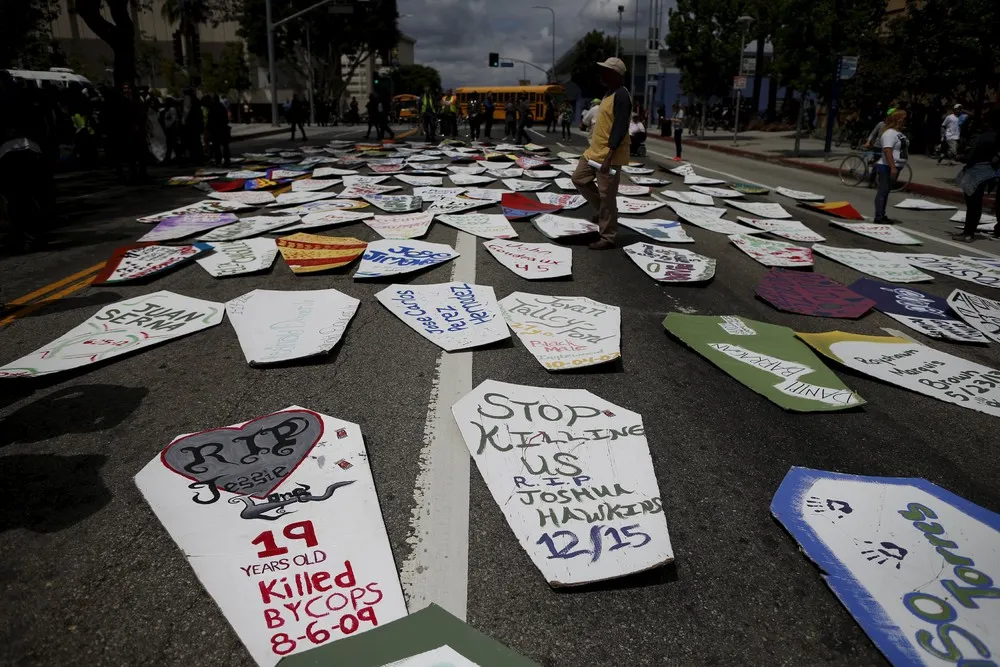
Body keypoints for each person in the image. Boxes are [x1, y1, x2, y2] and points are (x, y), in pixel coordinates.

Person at [571, 57, 631, 251]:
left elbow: (620, 127)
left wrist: (609, 157)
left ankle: (607, 237)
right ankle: (607, 214)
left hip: (608, 156)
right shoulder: (608, 94)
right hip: (593, 153)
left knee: (607, 196)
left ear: (615, 74)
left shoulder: (622, 96)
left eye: (606, 71)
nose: (602, 75)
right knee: (579, 178)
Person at [953, 109, 999, 242]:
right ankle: (970, 231)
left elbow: (970, 156)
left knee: (972, 204)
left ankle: (968, 233)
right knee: (977, 204)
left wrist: (959, 157)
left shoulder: (983, 137)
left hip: (976, 171)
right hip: (989, 172)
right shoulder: (997, 136)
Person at [872, 110, 908, 225]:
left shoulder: (899, 133)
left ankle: (882, 214)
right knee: (883, 192)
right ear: (898, 119)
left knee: (886, 191)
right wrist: (893, 167)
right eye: (904, 118)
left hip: (896, 166)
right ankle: (879, 217)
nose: (906, 120)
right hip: (886, 167)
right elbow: (887, 150)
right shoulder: (889, 133)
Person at [204, 94, 231, 166]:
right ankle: (226, 160)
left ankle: (218, 160)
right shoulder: (222, 107)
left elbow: (210, 121)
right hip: (223, 128)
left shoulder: (213, 108)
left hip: (216, 130)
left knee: (217, 146)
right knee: (224, 146)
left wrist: (207, 130)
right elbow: (226, 119)